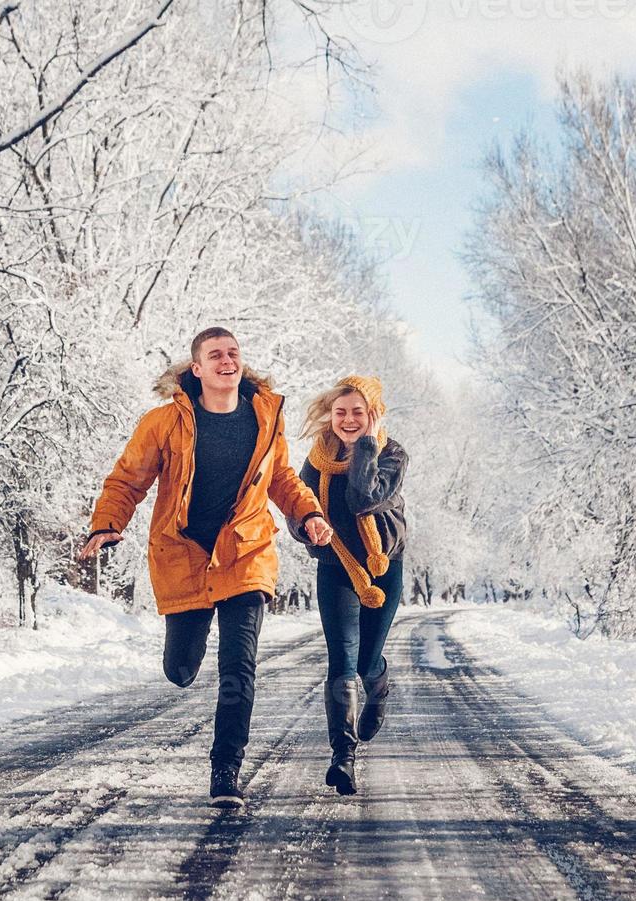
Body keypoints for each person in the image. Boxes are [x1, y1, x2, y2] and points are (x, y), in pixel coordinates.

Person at [78, 328, 333, 808]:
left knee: (239, 664)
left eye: (233, 353)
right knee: (180, 669)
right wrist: (107, 523)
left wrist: (310, 513)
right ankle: (185, 665)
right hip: (185, 554)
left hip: (245, 552)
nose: (227, 360)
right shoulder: (164, 421)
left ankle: (226, 770)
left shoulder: (264, 416)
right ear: (196, 368)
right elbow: (128, 477)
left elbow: (280, 477)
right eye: (215, 354)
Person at [292, 376, 408, 796]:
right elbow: (298, 506)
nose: (348, 420)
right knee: (340, 659)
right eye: (340, 412)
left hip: (383, 566)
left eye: (358, 412)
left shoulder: (392, 455)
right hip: (335, 566)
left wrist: (367, 447)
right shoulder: (317, 459)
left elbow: (365, 497)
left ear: (373, 413)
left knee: (364, 660)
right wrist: (308, 527)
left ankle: (379, 685)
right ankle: (343, 756)